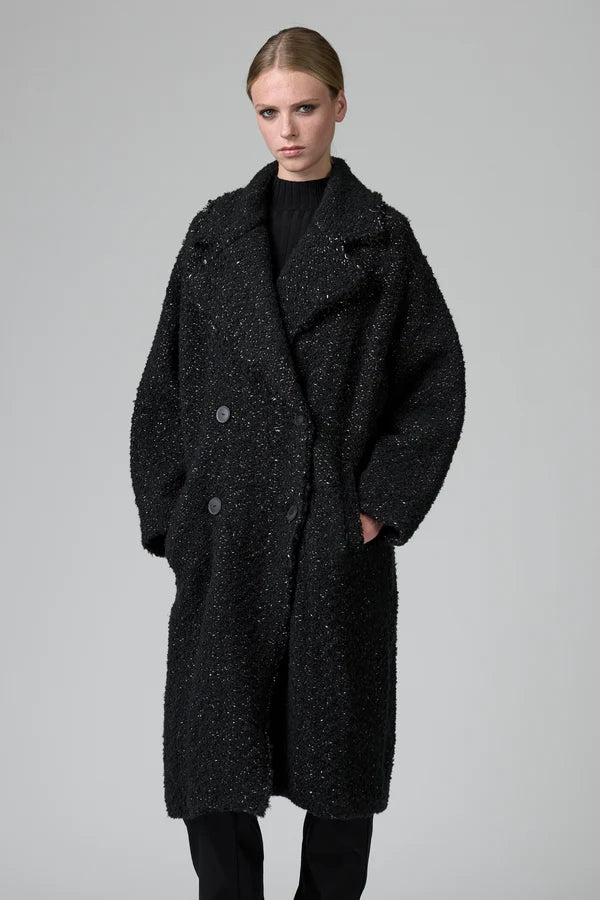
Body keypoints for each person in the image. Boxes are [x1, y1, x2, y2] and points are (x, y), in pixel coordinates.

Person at [130, 25, 466, 900]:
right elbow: (163, 386)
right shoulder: (213, 236)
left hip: (328, 542)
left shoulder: (380, 240)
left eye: (306, 108)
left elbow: (434, 383)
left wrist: (374, 509)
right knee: (213, 773)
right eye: (268, 112)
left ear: (340, 106)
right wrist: (174, 519)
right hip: (225, 540)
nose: (287, 130)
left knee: (337, 775)